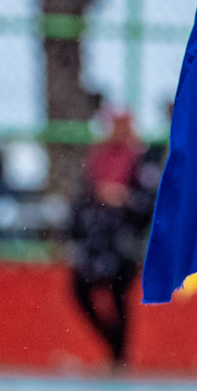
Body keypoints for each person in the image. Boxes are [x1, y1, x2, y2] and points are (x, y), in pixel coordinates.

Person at [69, 108, 149, 368]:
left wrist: (124, 199)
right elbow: (82, 199)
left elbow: (149, 203)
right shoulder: (97, 157)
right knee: (80, 290)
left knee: (119, 296)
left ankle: (119, 357)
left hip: (123, 239)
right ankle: (113, 347)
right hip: (96, 239)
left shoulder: (140, 160)